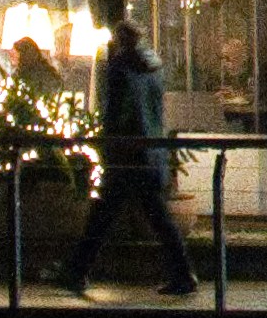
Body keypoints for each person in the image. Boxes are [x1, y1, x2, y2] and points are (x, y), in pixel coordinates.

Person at [77, 19, 198, 297]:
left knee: (105, 215)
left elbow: (118, 110)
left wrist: (109, 142)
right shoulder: (154, 67)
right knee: (155, 218)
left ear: (120, 40)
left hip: (127, 152)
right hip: (150, 152)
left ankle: (78, 269)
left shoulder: (121, 67)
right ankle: (182, 272)